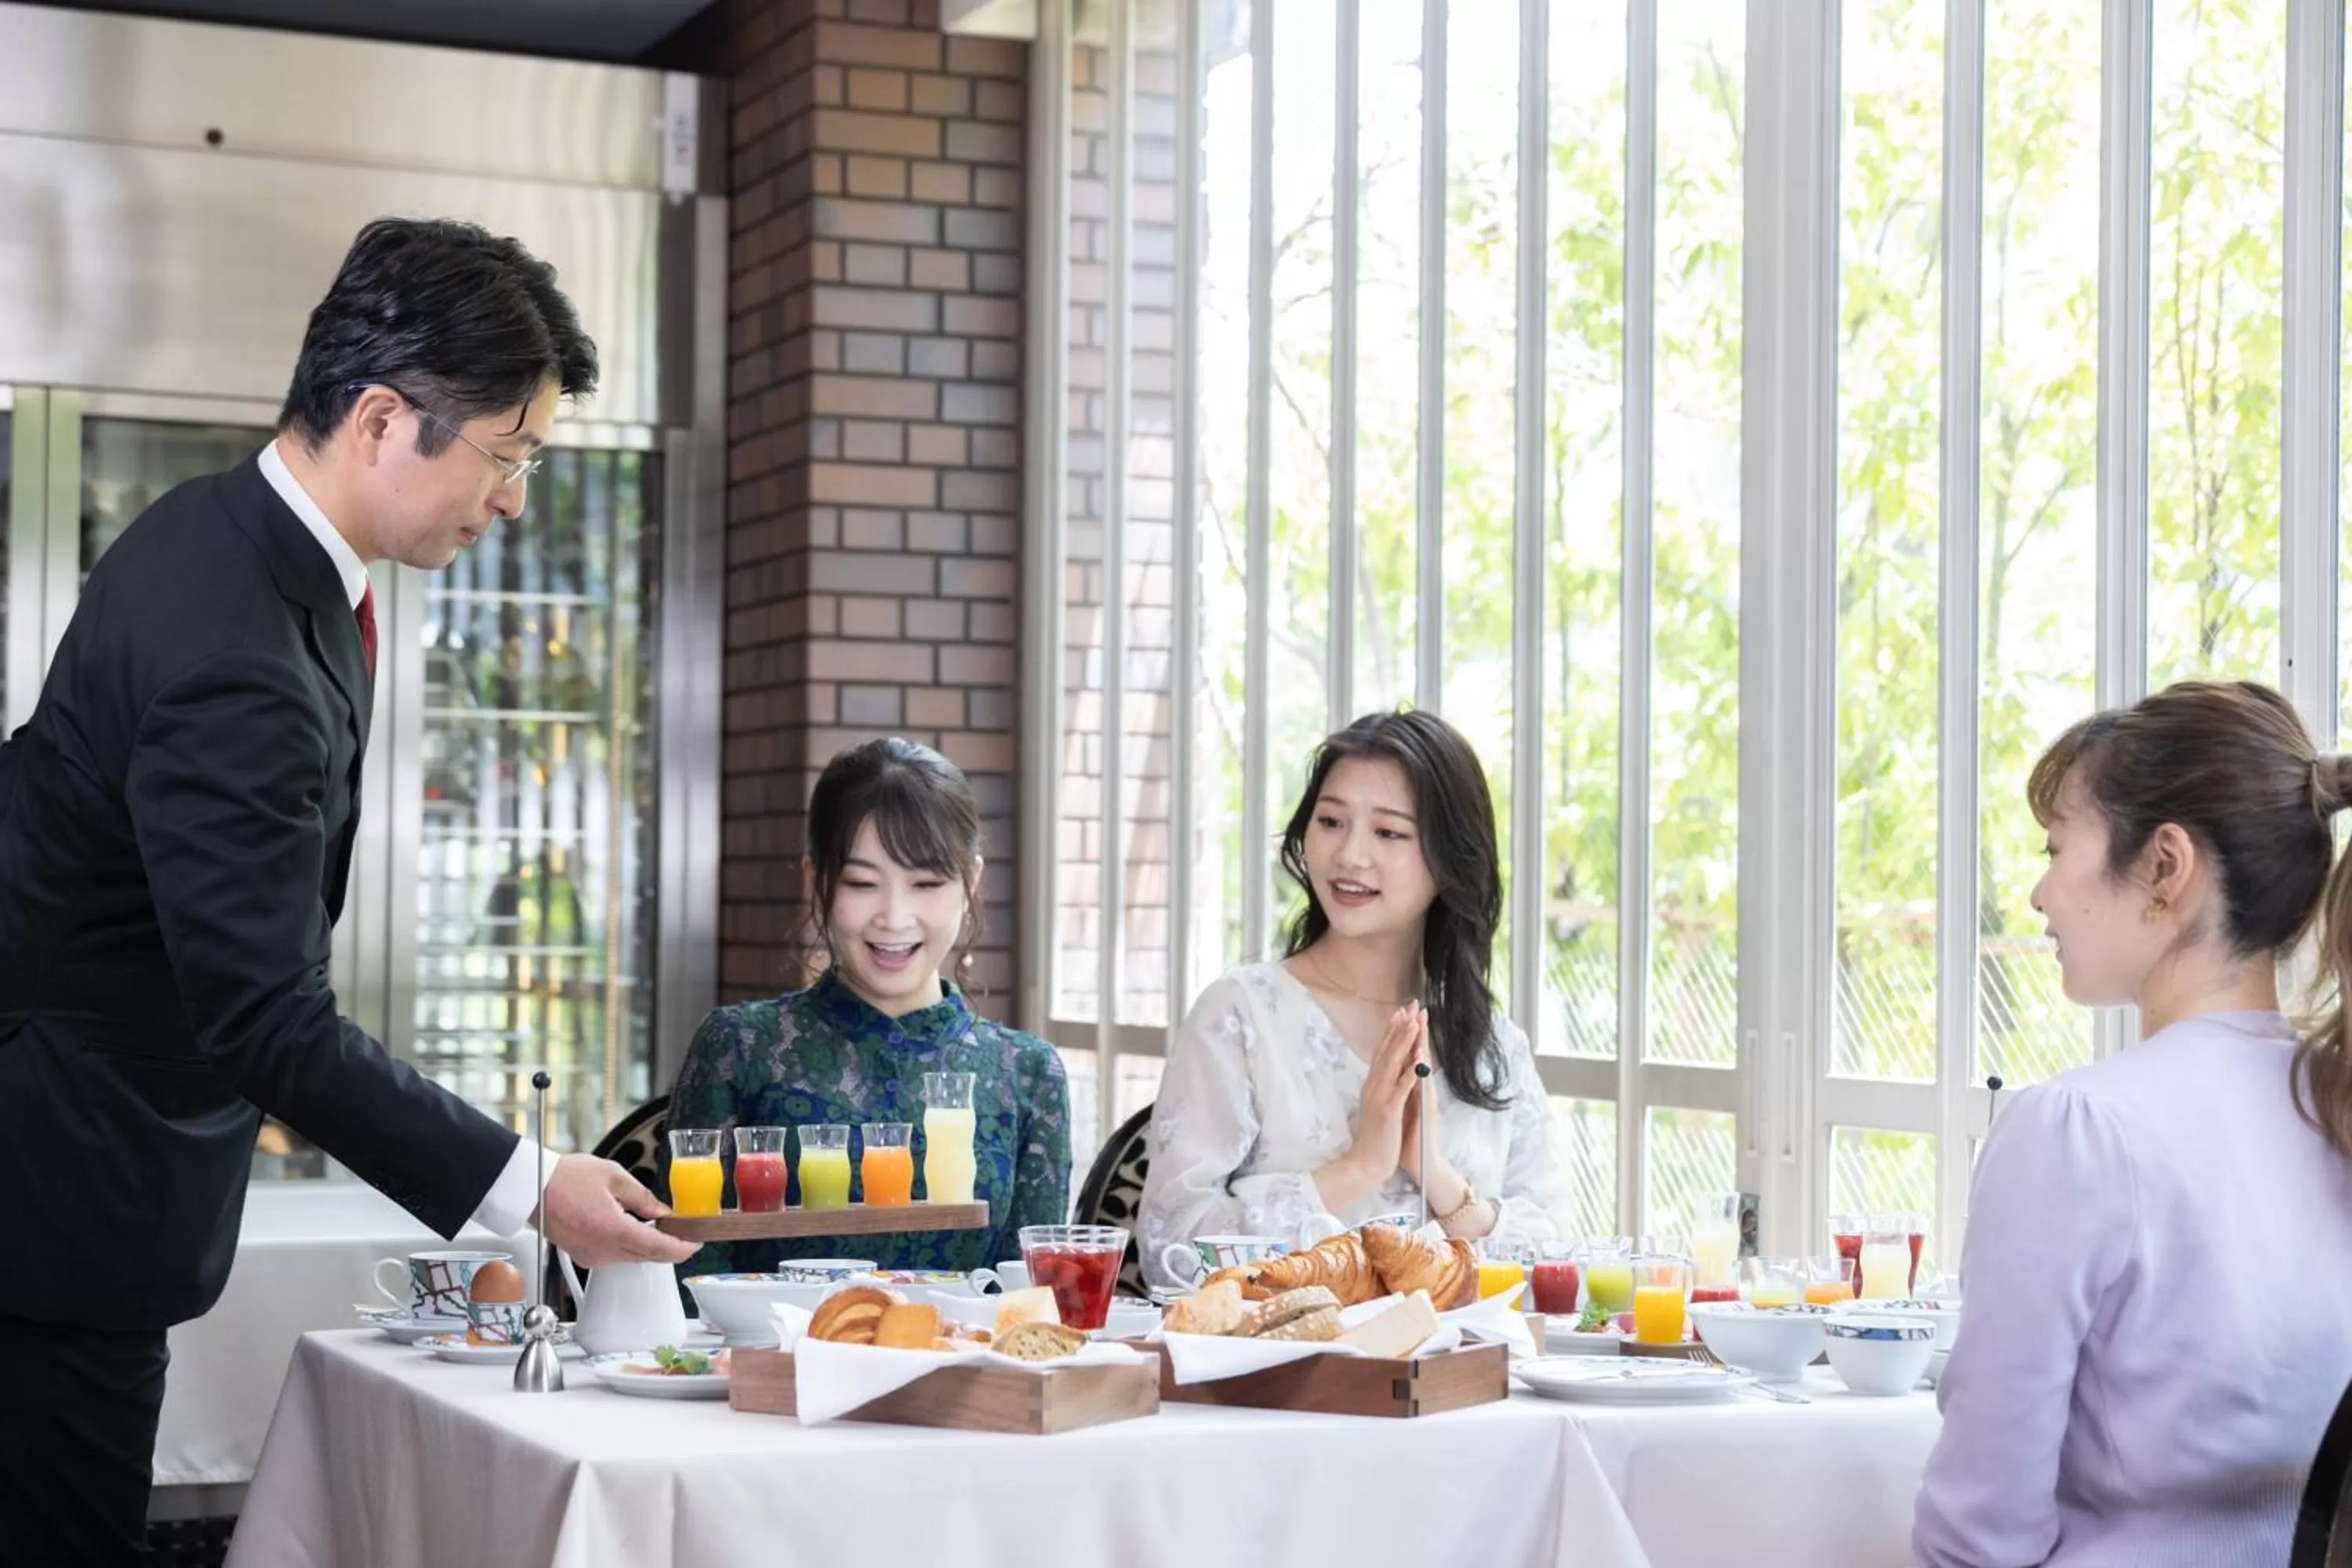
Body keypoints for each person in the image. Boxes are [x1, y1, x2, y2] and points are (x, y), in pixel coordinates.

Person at [0, 217, 695, 1563]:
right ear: (381, 418)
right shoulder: (242, 648)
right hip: (59, 1206)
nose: (511, 499)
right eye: (507, 453)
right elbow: (265, 1016)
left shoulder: (220, 533)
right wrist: (530, 1183)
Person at [1915, 681, 2352, 1565]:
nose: (2039, 891)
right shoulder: (2334, 1103)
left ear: (2165, 866)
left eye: (2056, 845)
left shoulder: (2078, 1130)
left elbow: (1977, 1537)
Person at [1139, 709, 1568, 1288]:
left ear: (1451, 860)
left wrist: (1437, 1177)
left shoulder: (1494, 1046)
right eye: (1331, 821)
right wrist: (1359, 1165)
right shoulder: (1240, 1016)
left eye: (1388, 832)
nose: (1349, 856)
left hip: (1464, 1375)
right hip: (1285, 1373)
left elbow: (1558, 1266)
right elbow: (1171, 1251)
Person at [667, 738, 1070, 1278]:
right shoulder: (740, 1048)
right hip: (772, 1362)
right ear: (818, 879)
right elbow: (688, 1289)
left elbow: (1028, 1306)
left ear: (970, 883)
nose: (894, 918)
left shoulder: (1029, 1074)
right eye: (862, 883)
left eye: (926, 883)